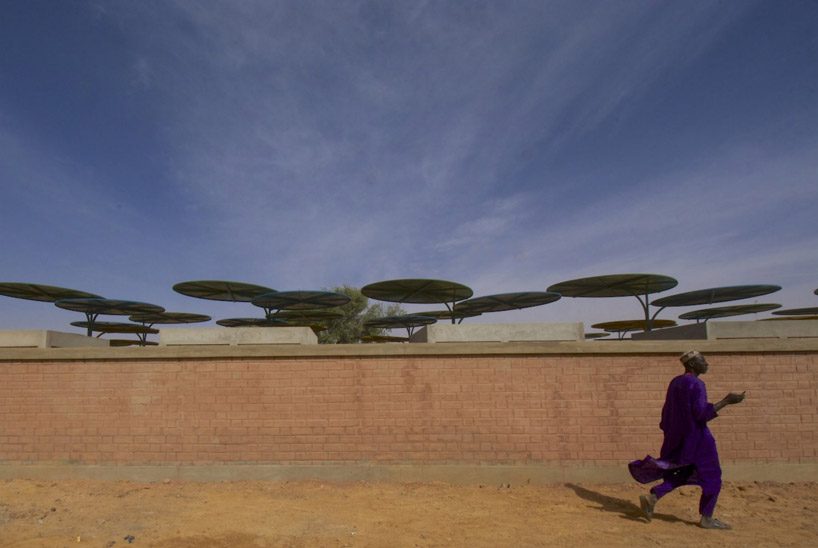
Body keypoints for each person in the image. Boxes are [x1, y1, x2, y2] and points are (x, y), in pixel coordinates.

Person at [628, 350, 745, 529]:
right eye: (702, 360)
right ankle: (707, 518)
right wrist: (726, 401)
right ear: (692, 364)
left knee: (683, 473)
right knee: (713, 477)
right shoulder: (697, 384)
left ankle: (653, 497)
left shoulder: (676, 382)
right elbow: (701, 414)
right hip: (699, 440)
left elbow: (666, 413)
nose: (706, 363)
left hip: (680, 440)